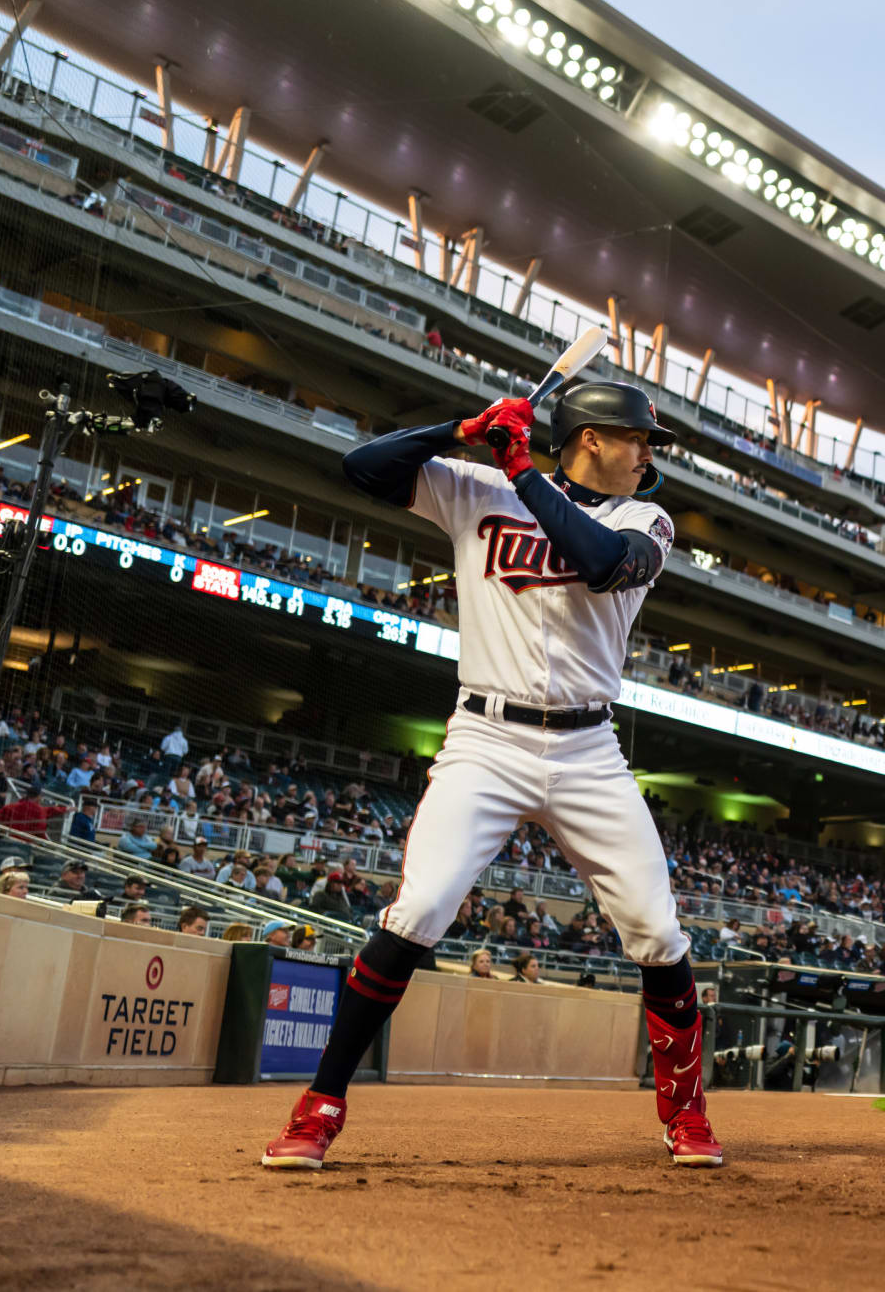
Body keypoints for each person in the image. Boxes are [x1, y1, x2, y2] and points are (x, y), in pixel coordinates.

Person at [260, 383, 720, 1170]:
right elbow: (361, 466)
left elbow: (603, 564)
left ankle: (685, 1112)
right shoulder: (477, 487)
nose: (649, 453)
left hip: (588, 750)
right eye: (637, 437)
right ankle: (320, 1104)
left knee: (656, 929)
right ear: (592, 439)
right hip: (485, 740)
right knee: (420, 908)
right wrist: (461, 429)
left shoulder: (646, 520)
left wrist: (524, 471)